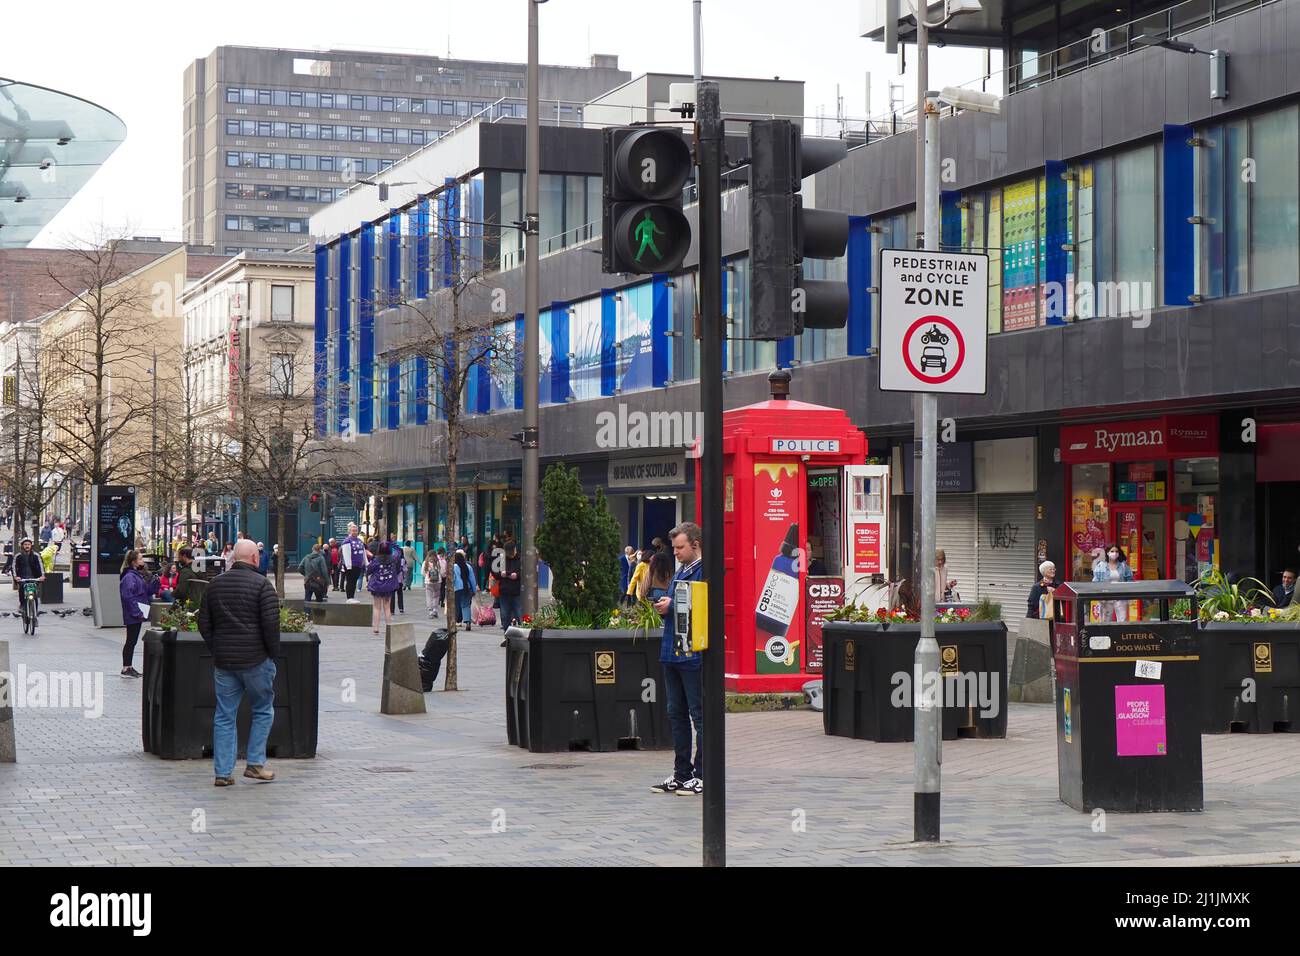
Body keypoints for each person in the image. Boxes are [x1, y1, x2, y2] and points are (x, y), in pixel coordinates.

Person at [195, 539, 280, 786]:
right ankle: (254, 764)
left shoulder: (215, 584)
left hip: (224, 662)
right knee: (263, 709)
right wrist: (271, 654)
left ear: (233, 558)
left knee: (224, 715)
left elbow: (204, 622)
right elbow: (271, 626)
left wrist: (217, 648)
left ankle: (223, 772)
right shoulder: (263, 585)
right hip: (256, 660)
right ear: (255, 558)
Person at [650, 523, 705, 795]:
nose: (676, 552)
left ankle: (703, 774)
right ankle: (682, 773)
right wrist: (665, 604)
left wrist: (671, 604)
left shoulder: (704, 570)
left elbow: (703, 605)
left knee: (699, 715)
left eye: (680, 547)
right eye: (674, 548)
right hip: (672, 649)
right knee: (676, 713)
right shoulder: (681, 570)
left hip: (693, 652)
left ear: (695, 544)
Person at [118, 550, 156, 678]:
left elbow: (145, 592)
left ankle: (128, 666)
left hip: (137, 612)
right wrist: (137, 612)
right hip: (134, 613)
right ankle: (126, 667)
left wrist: (154, 583)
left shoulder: (136, 575)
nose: (142, 561)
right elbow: (128, 596)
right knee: (131, 640)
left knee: (132, 640)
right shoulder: (130, 577)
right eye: (140, 559)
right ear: (133, 562)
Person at [366, 541, 402, 635]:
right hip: (389, 586)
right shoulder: (393, 558)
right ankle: (389, 627)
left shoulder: (376, 560)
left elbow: (369, 570)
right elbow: (399, 551)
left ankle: (376, 628)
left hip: (377, 586)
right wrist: (392, 544)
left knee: (377, 607)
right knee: (387, 607)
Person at [1092, 544, 1135, 621]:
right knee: (1105, 622)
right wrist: (1099, 596)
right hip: (1106, 598)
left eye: (1116, 551)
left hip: (1121, 597)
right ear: (1107, 552)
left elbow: (1130, 579)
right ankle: (1106, 633)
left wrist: (1128, 593)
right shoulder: (1101, 566)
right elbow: (1095, 582)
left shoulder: (1123, 566)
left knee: (1123, 621)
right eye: (1112, 551)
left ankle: (1121, 633)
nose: (1114, 553)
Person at [12, 536, 45, 622]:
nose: (27, 546)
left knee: (34, 595)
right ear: (22, 546)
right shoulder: (18, 556)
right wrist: (16, 577)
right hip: (22, 578)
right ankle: (22, 606)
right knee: (22, 590)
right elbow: (14, 567)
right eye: (25, 544)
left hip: (34, 577)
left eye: (29, 544)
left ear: (31, 545)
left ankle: (35, 614)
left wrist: (42, 576)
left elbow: (41, 566)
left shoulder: (36, 555)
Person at [494, 541, 523, 631]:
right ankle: (507, 635)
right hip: (504, 591)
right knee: (505, 616)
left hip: (517, 591)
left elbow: (527, 573)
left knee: (520, 614)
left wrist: (517, 575)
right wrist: (500, 574)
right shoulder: (501, 559)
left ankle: (524, 634)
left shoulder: (521, 559)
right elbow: (494, 572)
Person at [340, 523, 366, 603]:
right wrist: (348, 566)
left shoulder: (359, 541)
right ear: (349, 531)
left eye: (356, 531)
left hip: (358, 565)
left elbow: (363, 552)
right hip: (351, 565)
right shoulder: (347, 541)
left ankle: (352, 596)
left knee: (354, 581)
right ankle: (349, 597)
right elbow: (346, 553)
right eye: (353, 531)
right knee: (350, 581)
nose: (354, 532)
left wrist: (365, 562)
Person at [453, 549, 477, 630]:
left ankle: (455, 621)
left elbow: (452, 578)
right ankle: (468, 622)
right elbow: (472, 579)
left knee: (456, 606)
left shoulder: (454, 567)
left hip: (457, 588)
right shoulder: (468, 566)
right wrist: (474, 590)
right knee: (466, 605)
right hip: (467, 588)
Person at [422, 548, 443, 619]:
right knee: (436, 596)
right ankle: (435, 610)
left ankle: (430, 611)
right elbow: (441, 571)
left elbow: (422, 572)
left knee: (429, 596)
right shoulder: (438, 562)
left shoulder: (425, 562)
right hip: (437, 581)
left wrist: (427, 577)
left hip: (428, 582)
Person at [389, 542, 407, 616]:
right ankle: (401, 608)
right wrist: (404, 576)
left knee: (392, 594)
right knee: (400, 593)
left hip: (392, 579)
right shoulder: (402, 560)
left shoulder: (391, 558)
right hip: (400, 579)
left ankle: (392, 610)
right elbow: (405, 570)